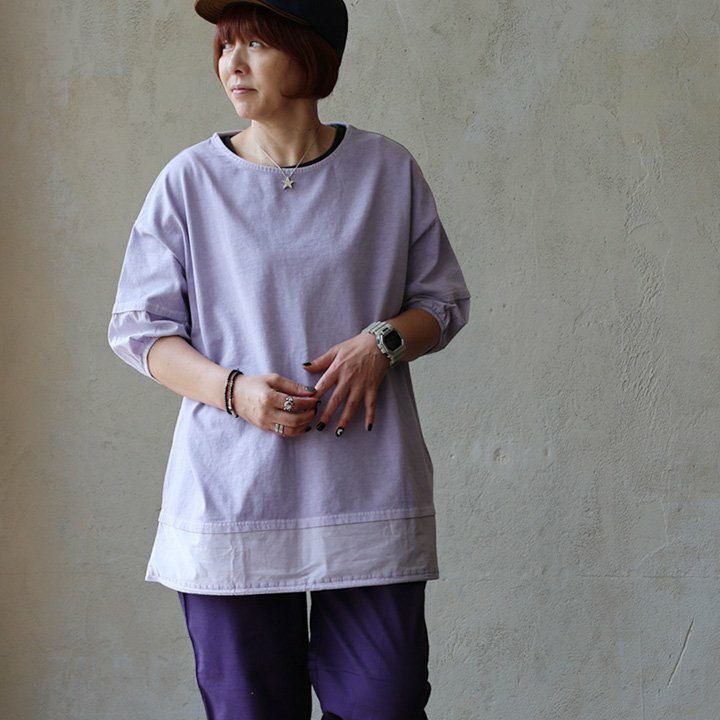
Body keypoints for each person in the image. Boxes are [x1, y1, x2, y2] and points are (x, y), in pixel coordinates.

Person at [107, 1, 471, 718]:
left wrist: (381, 342)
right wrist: (234, 390)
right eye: (225, 47)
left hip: (365, 492)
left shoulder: (386, 171)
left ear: (310, 55)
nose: (232, 64)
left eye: (255, 45)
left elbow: (442, 303)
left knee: (386, 702)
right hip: (233, 498)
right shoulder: (190, 181)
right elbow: (141, 330)